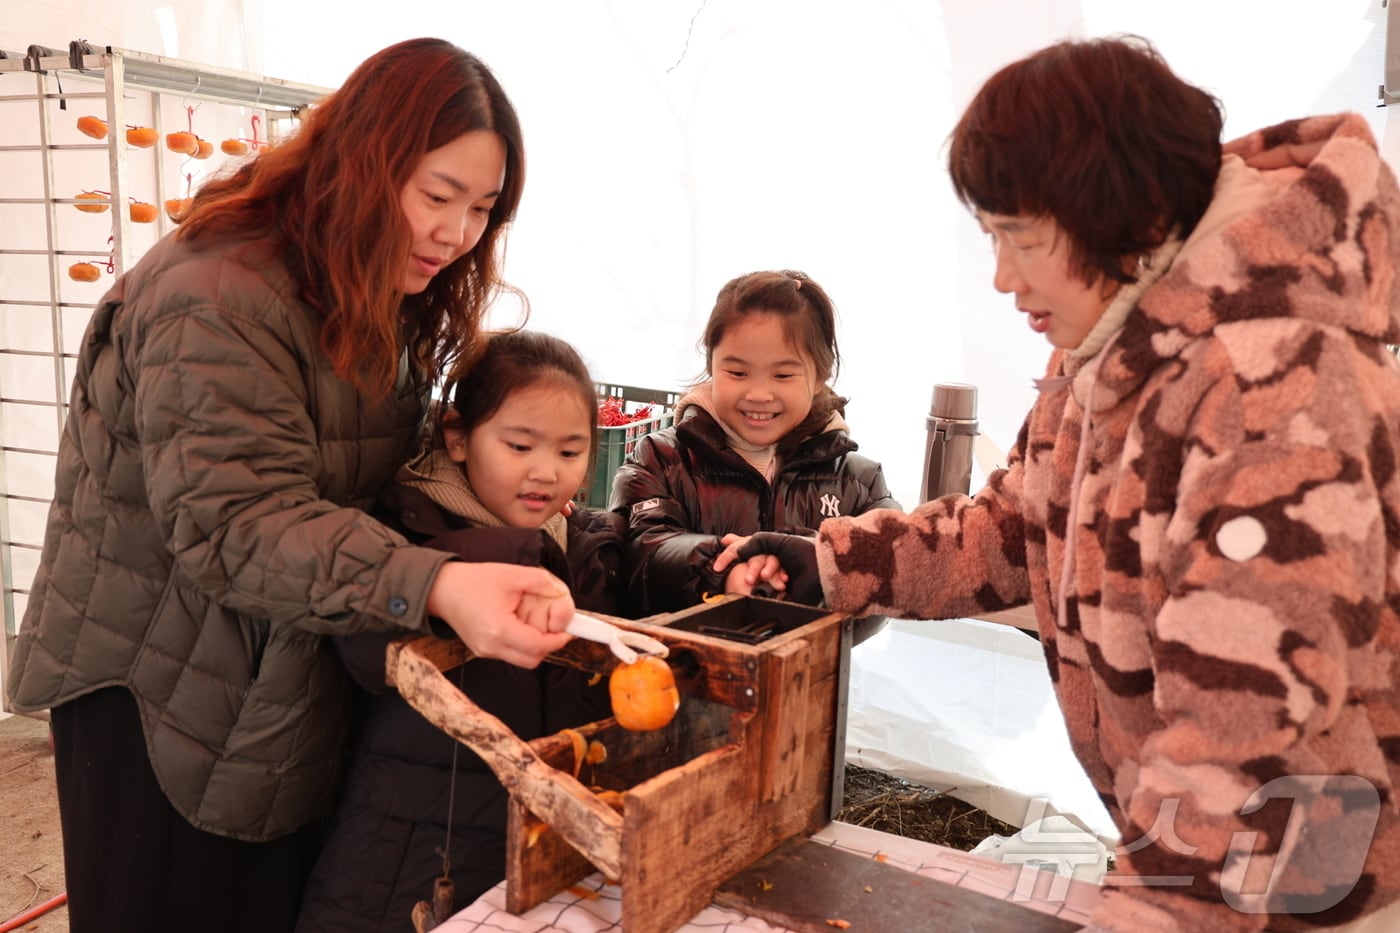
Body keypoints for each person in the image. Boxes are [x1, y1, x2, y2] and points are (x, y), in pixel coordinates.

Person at [716, 36, 1400, 933]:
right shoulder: (1114, 347)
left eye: (1022, 240)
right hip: (1199, 854)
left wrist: (1149, 910)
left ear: (1128, 214)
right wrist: (832, 563)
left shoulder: (1279, 389)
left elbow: (1242, 733)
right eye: (992, 238)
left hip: (1295, 890)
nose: (1002, 278)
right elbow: (1015, 523)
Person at [4, 38, 578, 933]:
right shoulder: (217, 295)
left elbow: (373, 482)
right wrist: (435, 582)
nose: (457, 232)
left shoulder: (365, 291)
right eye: (436, 195)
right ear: (363, 163)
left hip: (276, 680)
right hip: (162, 695)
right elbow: (239, 519)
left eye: (482, 208)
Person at [296, 329, 623, 932]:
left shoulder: (584, 544)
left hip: (538, 850)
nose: (545, 472)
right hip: (408, 859)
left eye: (571, 453)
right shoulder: (406, 535)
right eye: (520, 445)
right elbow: (361, 642)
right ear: (458, 437)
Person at [611, 269, 899, 634]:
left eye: (782, 376)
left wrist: (815, 566)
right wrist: (725, 570)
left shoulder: (859, 480)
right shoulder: (661, 458)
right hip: (675, 680)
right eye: (737, 372)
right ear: (711, 365)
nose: (759, 394)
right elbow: (639, 557)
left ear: (820, 377)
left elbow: (890, 577)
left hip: (804, 680)